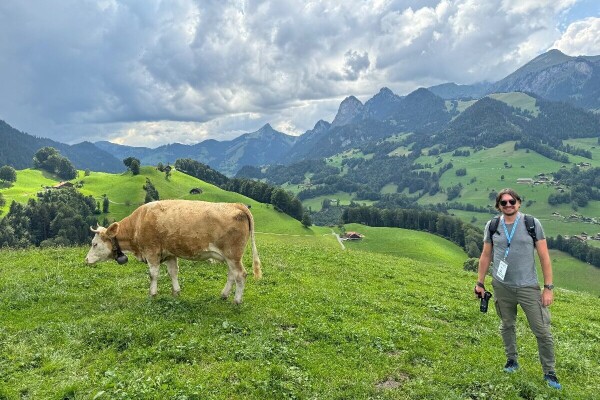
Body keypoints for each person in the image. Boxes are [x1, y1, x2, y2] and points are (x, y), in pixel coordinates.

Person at [475, 188, 561, 390]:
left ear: (519, 203)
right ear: (498, 206)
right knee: (507, 325)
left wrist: (548, 288)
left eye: (511, 201)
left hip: (528, 287)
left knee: (542, 331)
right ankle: (511, 360)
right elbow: (486, 255)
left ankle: (549, 372)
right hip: (501, 286)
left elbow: (544, 257)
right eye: (503, 202)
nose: (508, 205)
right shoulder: (492, 225)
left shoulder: (531, 223)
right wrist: (480, 283)